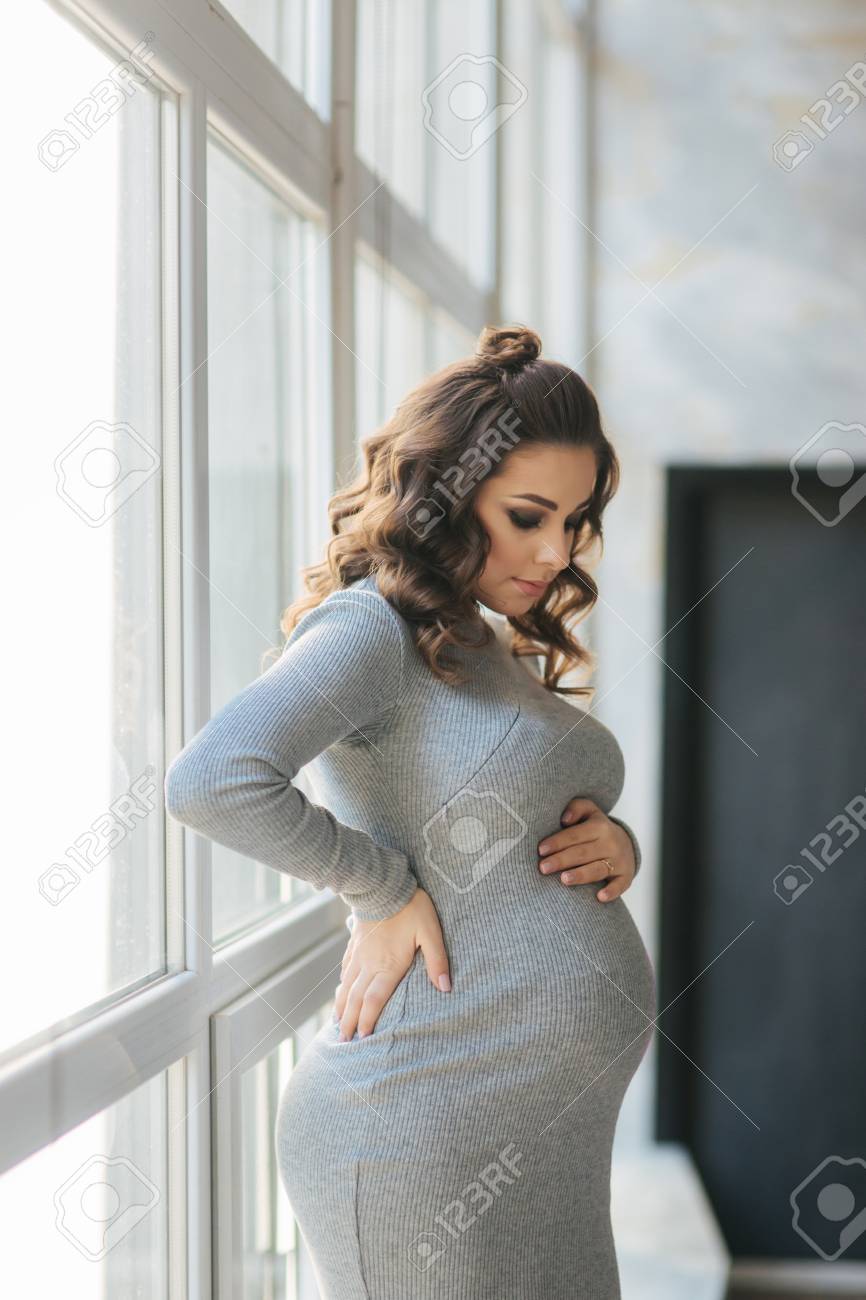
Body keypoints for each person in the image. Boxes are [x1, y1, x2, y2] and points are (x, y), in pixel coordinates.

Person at [164, 324, 656, 1298]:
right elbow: (212, 779)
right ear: (447, 488)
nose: (555, 551)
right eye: (526, 515)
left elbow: (515, 818)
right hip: (419, 1137)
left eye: (571, 519)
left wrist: (618, 846)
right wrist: (378, 891)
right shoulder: (371, 628)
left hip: (540, 1150)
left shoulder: (467, 638)